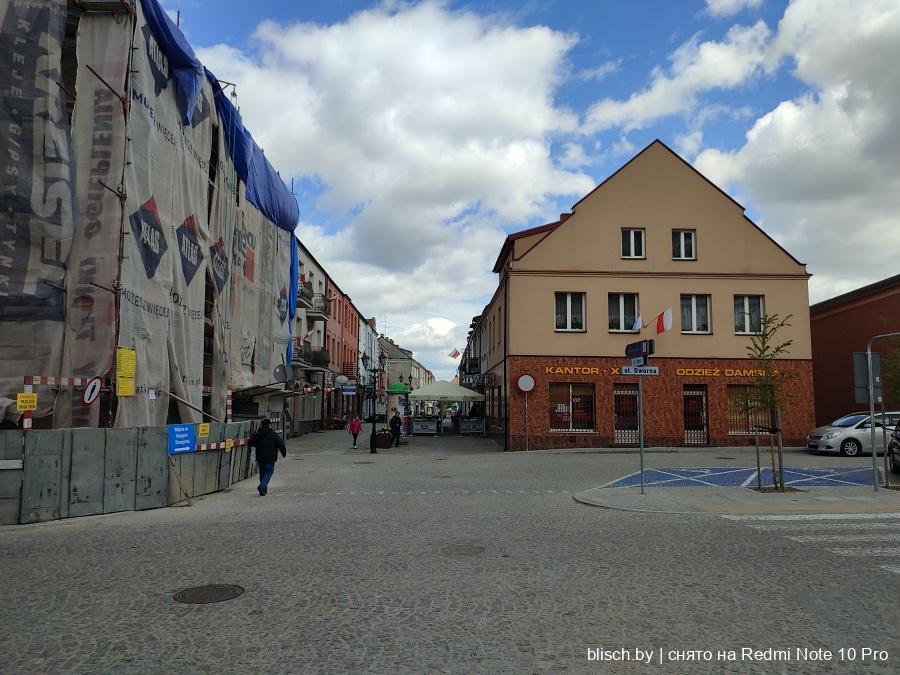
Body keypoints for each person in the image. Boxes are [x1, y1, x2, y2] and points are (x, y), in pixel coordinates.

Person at [249, 418, 286, 496]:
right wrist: (284, 453)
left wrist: (253, 437)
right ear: (269, 425)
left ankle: (263, 490)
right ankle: (262, 486)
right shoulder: (273, 434)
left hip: (260, 457)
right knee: (269, 471)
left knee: (262, 473)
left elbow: (251, 442)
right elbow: (281, 444)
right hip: (270, 458)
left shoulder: (258, 434)